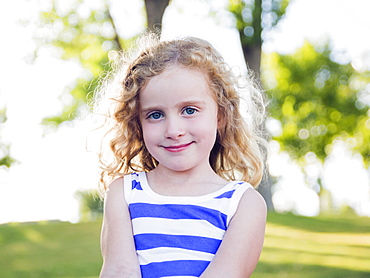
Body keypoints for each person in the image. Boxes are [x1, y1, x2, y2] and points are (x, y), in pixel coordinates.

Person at [96, 33, 268, 278]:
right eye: (155, 114)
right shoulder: (124, 193)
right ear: (138, 124)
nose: (173, 131)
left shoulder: (243, 204)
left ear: (220, 116)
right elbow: (118, 271)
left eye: (189, 110)